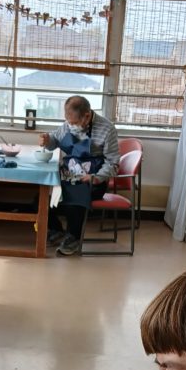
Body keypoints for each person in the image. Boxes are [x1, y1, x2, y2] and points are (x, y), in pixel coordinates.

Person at [39, 96, 119, 256]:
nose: (71, 125)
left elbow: (113, 163)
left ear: (87, 116)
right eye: (68, 121)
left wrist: (95, 177)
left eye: (74, 123)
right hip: (70, 172)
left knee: (74, 199)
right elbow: (55, 140)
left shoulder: (107, 129)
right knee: (42, 196)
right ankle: (56, 229)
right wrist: (47, 140)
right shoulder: (68, 124)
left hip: (94, 179)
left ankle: (73, 238)